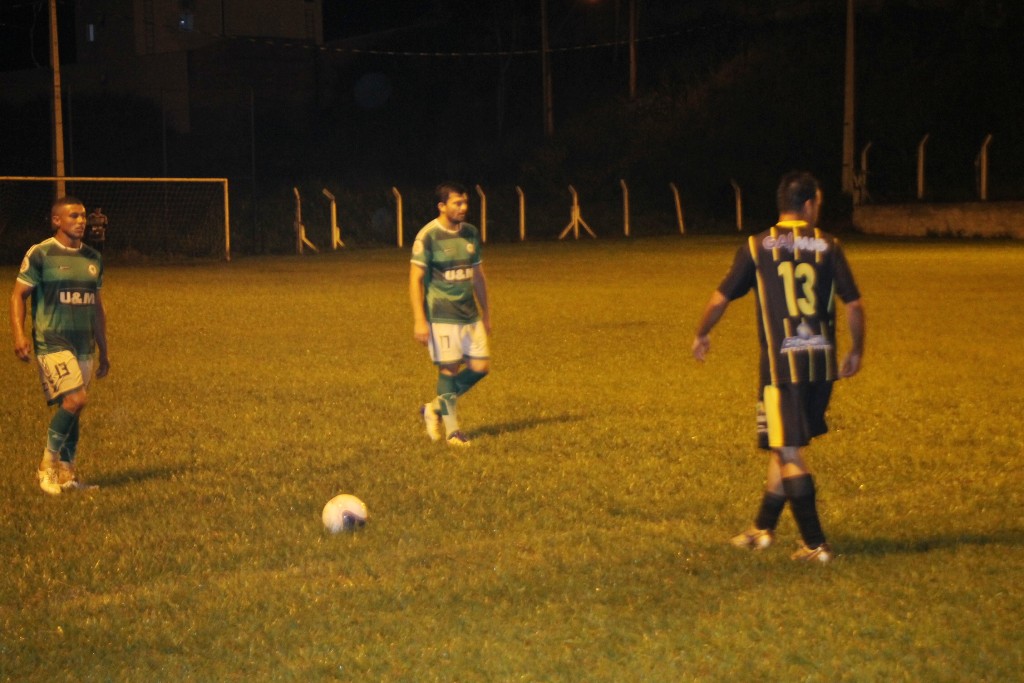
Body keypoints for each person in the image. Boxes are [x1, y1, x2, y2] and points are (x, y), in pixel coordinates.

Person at [691, 171, 865, 563]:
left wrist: (701, 333)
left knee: (787, 451)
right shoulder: (829, 245)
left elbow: (720, 298)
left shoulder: (757, 246)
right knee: (782, 444)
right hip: (821, 367)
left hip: (782, 368)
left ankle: (815, 545)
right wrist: (857, 350)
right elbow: (854, 305)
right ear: (809, 204)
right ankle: (762, 529)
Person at [11, 196, 110, 495]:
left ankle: (68, 474)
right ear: (57, 220)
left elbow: (97, 307)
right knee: (76, 399)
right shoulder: (40, 253)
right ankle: (47, 465)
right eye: (74, 216)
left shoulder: (93, 258)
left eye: (83, 216)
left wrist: (104, 350)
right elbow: (18, 295)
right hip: (51, 341)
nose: (81, 221)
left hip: (84, 345)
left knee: (74, 408)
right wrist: (18, 334)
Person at [409, 182, 491, 448]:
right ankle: (453, 432)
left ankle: (433, 408)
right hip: (441, 315)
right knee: (449, 369)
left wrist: (487, 313)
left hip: (470, 314)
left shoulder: (470, 233)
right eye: (457, 203)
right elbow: (415, 279)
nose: (463, 207)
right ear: (442, 206)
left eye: (465, 202)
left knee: (480, 368)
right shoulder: (428, 236)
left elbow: (478, 276)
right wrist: (420, 319)